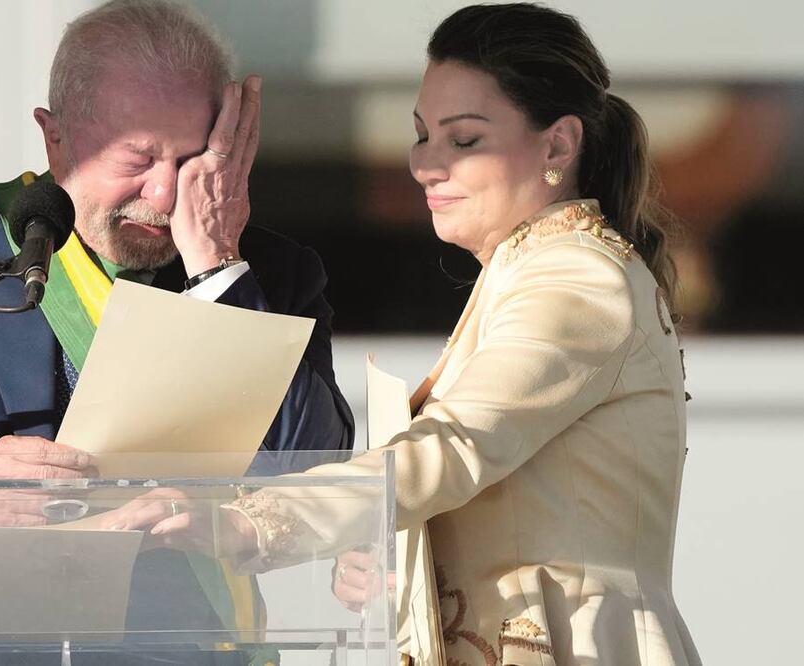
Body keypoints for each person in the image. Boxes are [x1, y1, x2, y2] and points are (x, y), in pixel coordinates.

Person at [98, 4, 702, 665]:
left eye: (463, 140)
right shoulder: (535, 270)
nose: (426, 166)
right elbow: (482, 491)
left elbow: (455, 446)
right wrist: (397, 553)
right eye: (421, 136)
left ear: (557, 144)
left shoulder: (575, 276)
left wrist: (250, 521)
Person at [0, 0, 353, 663]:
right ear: (54, 137)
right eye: (138, 157)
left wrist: (219, 269)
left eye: (195, 158)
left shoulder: (271, 277)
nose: (166, 193)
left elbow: (309, 472)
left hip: (176, 649)